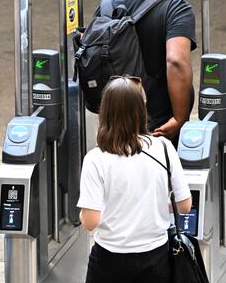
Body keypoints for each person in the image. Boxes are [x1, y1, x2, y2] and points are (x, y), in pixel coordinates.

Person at [77, 76, 192, 283]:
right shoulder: (164, 148)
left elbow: (90, 221)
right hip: (156, 257)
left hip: (109, 258)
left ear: (105, 112)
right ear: (141, 109)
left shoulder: (95, 159)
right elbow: (184, 205)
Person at [92, 0, 196, 143]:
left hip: (115, 128)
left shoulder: (106, 6)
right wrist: (179, 118)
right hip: (158, 128)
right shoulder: (175, 9)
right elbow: (176, 61)